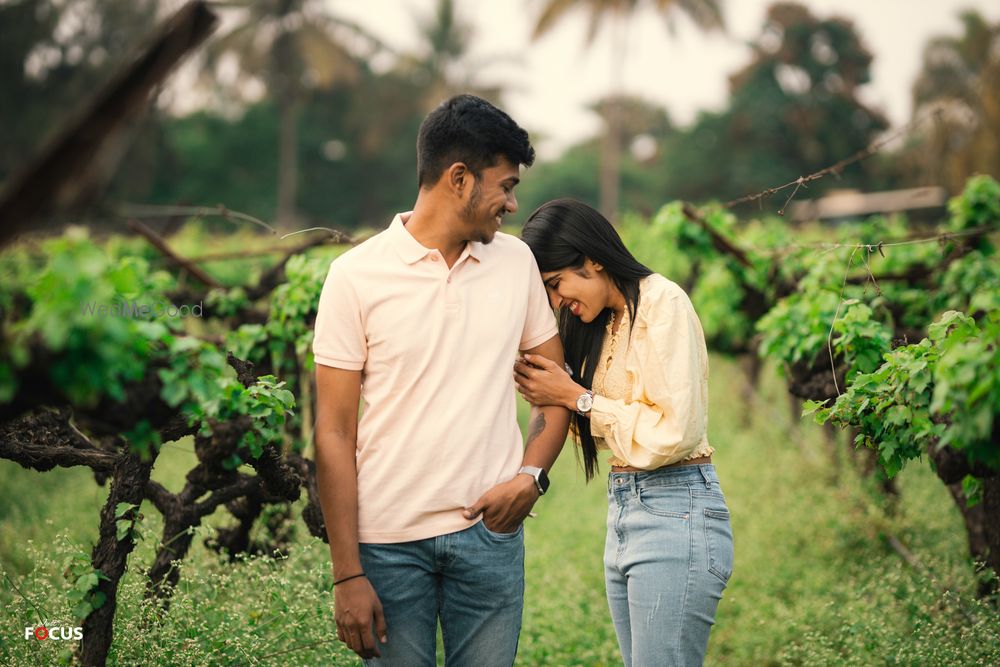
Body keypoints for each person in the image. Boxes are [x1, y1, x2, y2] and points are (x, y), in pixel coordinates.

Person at [312, 94, 570, 665]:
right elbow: (332, 432)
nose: (510, 203)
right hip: (385, 548)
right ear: (459, 178)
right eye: (504, 185)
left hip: (490, 538)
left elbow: (558, 389)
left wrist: (531, 478)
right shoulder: (354, 277)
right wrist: (346, 573)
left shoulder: (516, 264)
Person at [513, 198, 734, 667]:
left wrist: (578, 397)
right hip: (625, 510)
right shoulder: (599, 322)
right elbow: (595, 430)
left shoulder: (662, 302)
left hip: (676, 510)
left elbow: (673, 431)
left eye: (557, 284)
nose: (558, 302)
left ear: (592, 258)